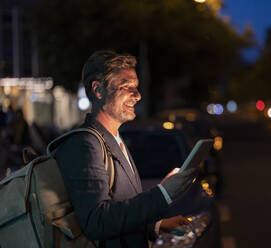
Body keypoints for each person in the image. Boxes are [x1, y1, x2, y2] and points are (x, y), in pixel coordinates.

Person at [55, 50, 196, 247]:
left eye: (136, 87)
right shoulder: (86, 144)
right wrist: (163, 193)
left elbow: (119, 211)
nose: (137, 96)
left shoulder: (114, 138)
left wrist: (155, 226)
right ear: (98, 90)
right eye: (126, 86)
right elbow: (98, 222)